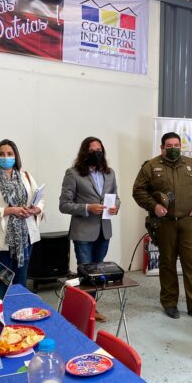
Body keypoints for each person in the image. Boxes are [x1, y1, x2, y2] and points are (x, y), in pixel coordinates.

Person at [132, 132, 192, 322]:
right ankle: (169, 303)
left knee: (191, 263)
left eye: (177, 145)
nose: (173, 148)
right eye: (169, 146)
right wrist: (154, 206)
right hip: (165, 223)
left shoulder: (191, 165)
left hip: (187, 221)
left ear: (180, 146)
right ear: (162, 148)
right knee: (167, 263)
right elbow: (138, 191)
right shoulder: (151, 166)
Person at [59, 137, 120, 321]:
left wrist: (116, 207)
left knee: (97, 274)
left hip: (104, 231)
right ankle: (82, 312)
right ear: (84, 153)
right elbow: (64, 205)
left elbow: (116, 197)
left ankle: (91, 309)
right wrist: (87, 208)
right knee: (86, 274)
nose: (96, 153)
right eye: (92, 150)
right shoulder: (73, 173)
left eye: (99, 150)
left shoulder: (109, 173)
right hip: (83, 233)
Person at [0, 139, 44, 287]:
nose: (5, 157)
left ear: (16, 156)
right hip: (0, 241)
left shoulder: (26, 177)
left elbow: (40, 199)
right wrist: (11, 210)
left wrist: (36, 209)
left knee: (20, 282)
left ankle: (18, 302)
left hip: (25, 238)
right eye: (1, 154)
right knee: (2, 284)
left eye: (9, 154)